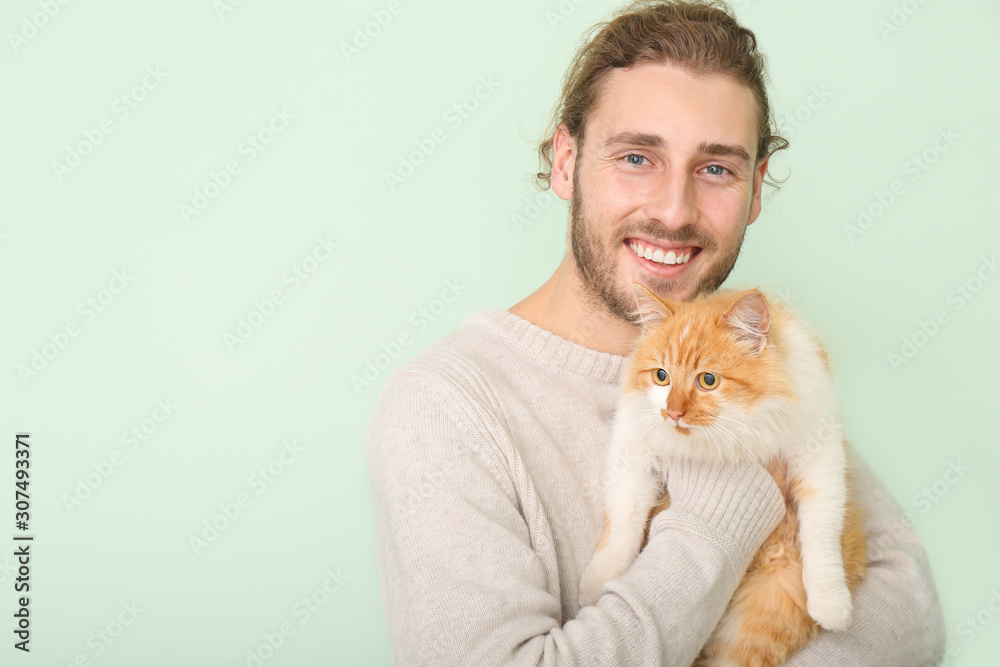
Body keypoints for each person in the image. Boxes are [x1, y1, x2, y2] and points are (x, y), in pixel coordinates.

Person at [366, 1, 947, 664]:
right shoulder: (441, 408)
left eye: (717, 168)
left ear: (756, 189)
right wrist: (718, 513)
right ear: (565, 161)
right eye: (637, 157)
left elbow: (910, 610)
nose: (673, 211)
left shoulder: (754, 362)